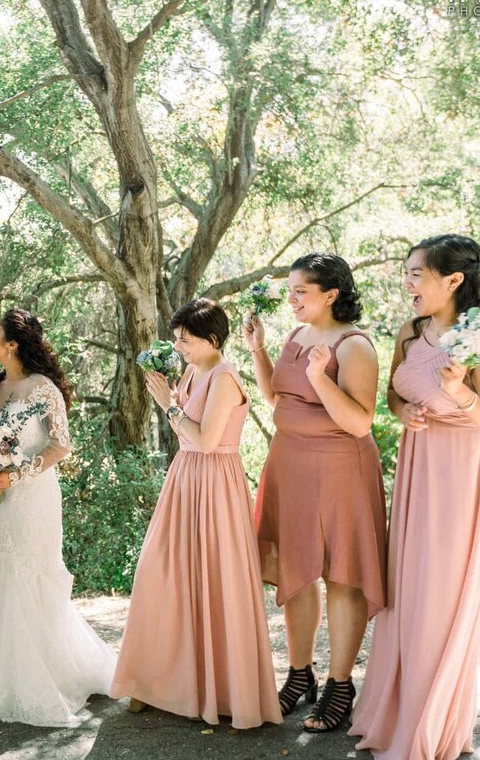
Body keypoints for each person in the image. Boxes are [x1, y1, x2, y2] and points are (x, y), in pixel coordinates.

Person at [349, 235, 480, 759]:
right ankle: (395, 711)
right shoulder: (411, 332)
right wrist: (401, 411)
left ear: (453, 280)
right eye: (408, 273)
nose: (408, 283)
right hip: (418, 467)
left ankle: (433, 721)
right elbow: (397, 392)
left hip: (463, 472)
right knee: (410, 590)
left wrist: (462, 392)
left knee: (442, 595)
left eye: (417, 273)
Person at [110, 299, 281, 729]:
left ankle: (219, 689)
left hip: (215, 482)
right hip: (185, 479)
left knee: (214, 581)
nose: (179, 346)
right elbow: (184, 432)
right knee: (161, 572)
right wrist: (173, 404)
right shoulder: (192, 370)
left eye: (186, 339)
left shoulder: (224, 377)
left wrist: (169, 404)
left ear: (212, 338)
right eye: (177, 338)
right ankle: (156, 682)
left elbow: (205, 440)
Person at [244, 252, 386, 731]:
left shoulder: (354, 346)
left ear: (331, 294)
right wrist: (260, 350)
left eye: (300, 291)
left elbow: (359, 422)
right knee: (296, 570)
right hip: (290, 464)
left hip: (340, 468)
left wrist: (318, 380)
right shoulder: (296, 335)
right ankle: (300, 675)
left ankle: (340, 685)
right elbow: (276, 398)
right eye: (290, 290)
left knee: (341, 576)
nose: (291, 298)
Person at [0, 308, 116, 727]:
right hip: (1, 502)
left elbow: (60, 446)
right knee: (4, 575)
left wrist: (16, 472)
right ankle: (7, 682)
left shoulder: (43, 388)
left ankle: (49, 678)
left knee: (34, 577)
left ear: (11, 343)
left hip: (34, 498)